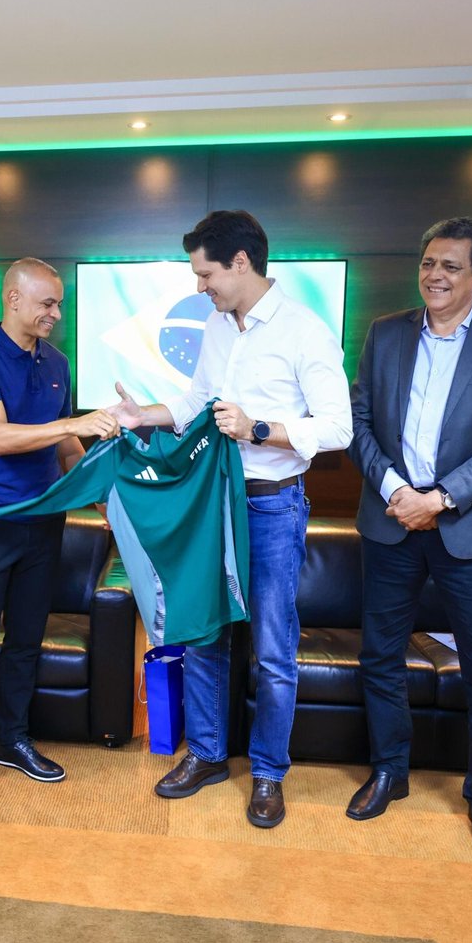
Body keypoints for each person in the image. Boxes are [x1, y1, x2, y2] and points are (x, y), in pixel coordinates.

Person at [112, 209, 352, 828]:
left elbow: (338, 428)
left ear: (241, 262)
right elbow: (198, 402)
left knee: (272, 649)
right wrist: (144, 416)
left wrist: (258, 429)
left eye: (206, 274)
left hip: (273, 504)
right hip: (214, 500)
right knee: (204, 632)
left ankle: (269, 772)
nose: (201, 287)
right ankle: (208, 754)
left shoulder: (305, 330)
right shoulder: (218, 326)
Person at [346, 217, 472, 864]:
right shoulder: (385, 332)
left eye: (451, 266)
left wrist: (441, 498)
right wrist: (398, 489)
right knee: (380, 656)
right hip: (391, 518)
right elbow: (359, 421)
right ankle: (389, 770)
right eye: (428, 262)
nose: (435, 275)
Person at [0, 258, 118, 815]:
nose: (56, 314)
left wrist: (102, 499)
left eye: (59, 304)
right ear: (14, 299)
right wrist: (73, 424)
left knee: (25, 641)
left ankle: (13, 742)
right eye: (47, 303)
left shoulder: (57, 363)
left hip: (44, 524)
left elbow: (65, 447)